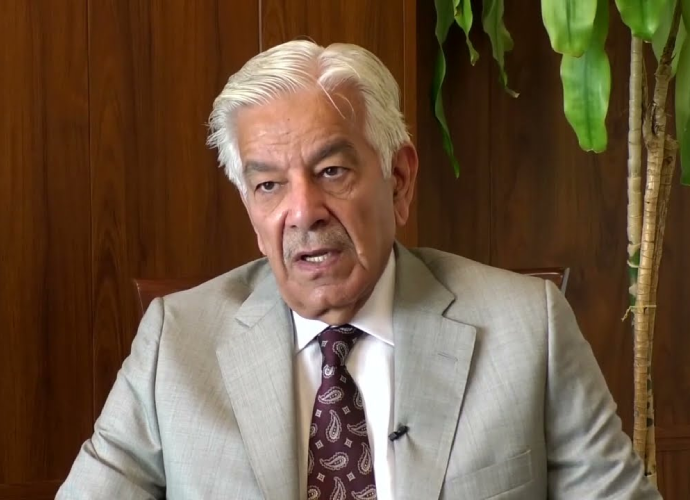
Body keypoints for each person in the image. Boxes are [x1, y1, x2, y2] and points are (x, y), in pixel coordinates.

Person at [57, 40, 660, 500]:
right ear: (251, 210)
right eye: (269, 185)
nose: (303, 212)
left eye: (332, 172)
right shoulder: (176, 343)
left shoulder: (527, 328)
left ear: (399, 180)